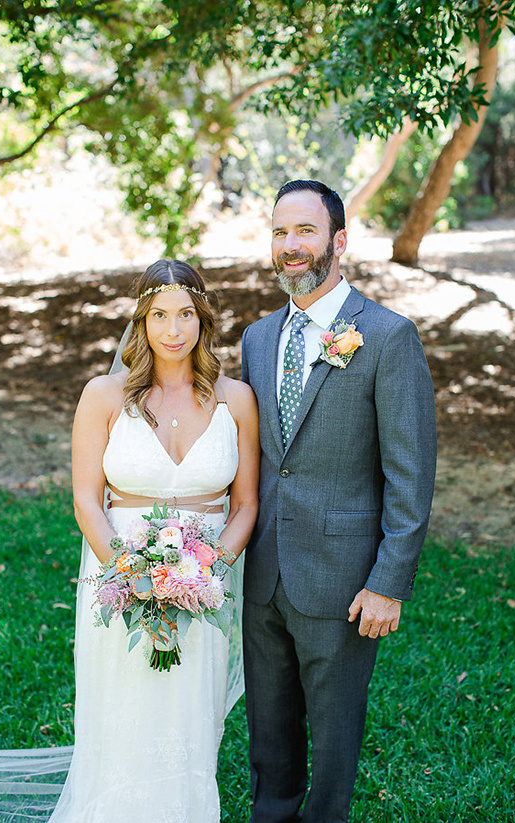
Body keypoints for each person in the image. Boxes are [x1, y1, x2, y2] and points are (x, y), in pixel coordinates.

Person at [241, 179, 437, 823]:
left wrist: (388, 582)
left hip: (344, 581)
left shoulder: (387, 336)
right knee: (270, 740)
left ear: (339, 241)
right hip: (263, 575)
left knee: (332, 748)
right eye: (279, 233)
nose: (290, 247)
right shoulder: (257, 339)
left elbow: (410, 475)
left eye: (304, 231)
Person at [51, 258, 259, 823]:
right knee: (123, 718)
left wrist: (207, 567)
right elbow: (87, 500)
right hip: (116, 578)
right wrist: (130, 571)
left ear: (203, 319)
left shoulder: (235, 400)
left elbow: (245, 506)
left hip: (204, 585)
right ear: (141, 321)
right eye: (160, 315)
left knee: (190, 720)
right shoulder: (103, 395)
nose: (174, 330)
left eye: (186, 314)